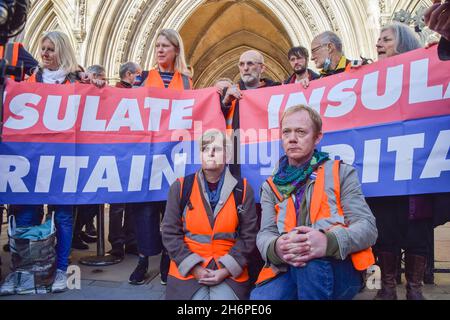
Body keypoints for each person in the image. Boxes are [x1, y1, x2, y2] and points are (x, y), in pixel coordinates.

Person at [250, 105, 377, 300]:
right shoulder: (270, 185)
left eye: (300, 132)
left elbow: (368, 229)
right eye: (286, 132)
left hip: (340, 268)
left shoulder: (341, 173)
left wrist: (328, 242)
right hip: (288, 268)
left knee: (308, 257)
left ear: (317, 137)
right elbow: (265, 233)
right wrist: (277, 247)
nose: (292, 138)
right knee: (261, 299)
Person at [0, 30, 84, 295]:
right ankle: (25, 272)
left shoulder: (76, 82)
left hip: (65, 164)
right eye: (43, 48)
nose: (45, 54)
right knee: (26, 216)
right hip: (33, 164)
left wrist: (94, 82)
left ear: (62, 51)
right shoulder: (30, 81)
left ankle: (61, 270)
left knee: (63, 218)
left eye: (50, 49)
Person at [369, 22, 437, 301]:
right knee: (385, 225)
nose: (378, 44)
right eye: (378, 39)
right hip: (384, 167)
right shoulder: (369, 77)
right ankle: (386, 288)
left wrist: (437, 57)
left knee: (418, 226)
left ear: (404, 42)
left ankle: (414, 289)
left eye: (386, 39)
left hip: (417, 166)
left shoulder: (426, 69)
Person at [128, 29, 193, 286]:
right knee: (144, 209)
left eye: (166, 45)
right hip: (146, 156)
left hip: (174, 156)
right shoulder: (142, 78)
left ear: (176, 50)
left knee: (171, 209)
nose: (160, 50)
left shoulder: (186, 82)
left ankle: (168, 256)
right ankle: (144, 259)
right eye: (157, 46)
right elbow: (124, 106)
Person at [162, 129, 258, 300]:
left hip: (228, 268)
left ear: (227, 156)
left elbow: (248, 236)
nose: (210, 153)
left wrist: (226, 270)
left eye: (217, 149)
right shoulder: (180, 187)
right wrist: (194, 268)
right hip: (188, 268)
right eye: (205, 148)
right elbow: (169, 233)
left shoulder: (243, 189)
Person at [221, 49, 280, 177]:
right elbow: (211, 121)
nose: (245, 68)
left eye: (250, 64)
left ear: (262, 68)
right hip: (237, 159)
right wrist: (225, 103)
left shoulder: (278, 90)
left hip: (270, 155)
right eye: (241, 64)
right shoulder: (228, 93)